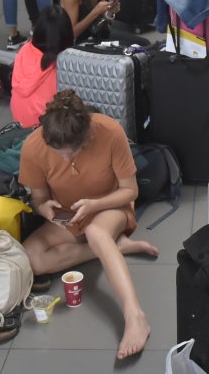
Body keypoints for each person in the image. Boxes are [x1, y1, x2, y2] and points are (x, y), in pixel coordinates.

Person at [18, 89, 158, 360]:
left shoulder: (109, 131)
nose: (66, 159)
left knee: (96, 231)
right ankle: (115, 248)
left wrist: (94, 205)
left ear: (87, 136)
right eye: (59, 153)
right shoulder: (33, 147)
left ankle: (136, 317)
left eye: (74, 152)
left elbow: (130, 191)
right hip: (71, 216)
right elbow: (39, 198)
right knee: (31, 258)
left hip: (110, 206)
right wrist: (43, 208)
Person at [10, 5, 74, 127]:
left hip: (19, 124)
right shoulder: (61, 65)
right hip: (47, 131)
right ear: (66, 35)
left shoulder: (24, 50)